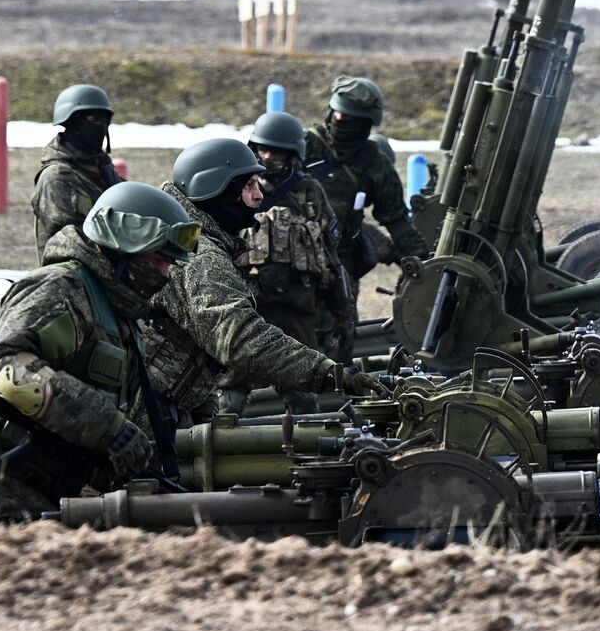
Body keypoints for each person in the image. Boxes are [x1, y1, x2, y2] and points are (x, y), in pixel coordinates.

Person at [0, 181, 200, 526]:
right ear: (124, 247)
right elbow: (7, 369)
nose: (166, 275)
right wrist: (109, 428)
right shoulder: (62, 289)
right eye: (159, 260)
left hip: (33, 488)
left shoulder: (117, 314)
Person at [144, 138, 378, 422]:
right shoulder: (200, 257)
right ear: (217, 189)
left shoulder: (199, 241)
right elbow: (238, 339)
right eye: (248, 186)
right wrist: (326, 372)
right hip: (149, 412)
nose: (258, 196)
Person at [220, 112, 352, 416]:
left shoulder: (309, 192)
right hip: (247, 306)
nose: (268, 157)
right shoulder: (237, 187)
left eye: (276, 151)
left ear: (293, 153)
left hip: (296, 309)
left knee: (304, 394)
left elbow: (331, 257)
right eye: (262, 150)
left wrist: (342, 312)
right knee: (230, 394)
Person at [304, 76, 428, 360]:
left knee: (339, 335)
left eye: (349, 118)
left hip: (339, 260)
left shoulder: (375, 164)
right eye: (337, 114)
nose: (340, 121)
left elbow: (397, 222)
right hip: (291, 257)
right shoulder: (304, 146)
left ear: (365, 124)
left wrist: (425, 265)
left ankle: (334, 395)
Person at [31, 84, 119, 260]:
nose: (100, 126)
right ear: (72, 123)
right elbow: (70, 243)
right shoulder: (56, 178)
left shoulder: (101, 170)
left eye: (103, 119)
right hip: (76, 278)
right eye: (93, 119)